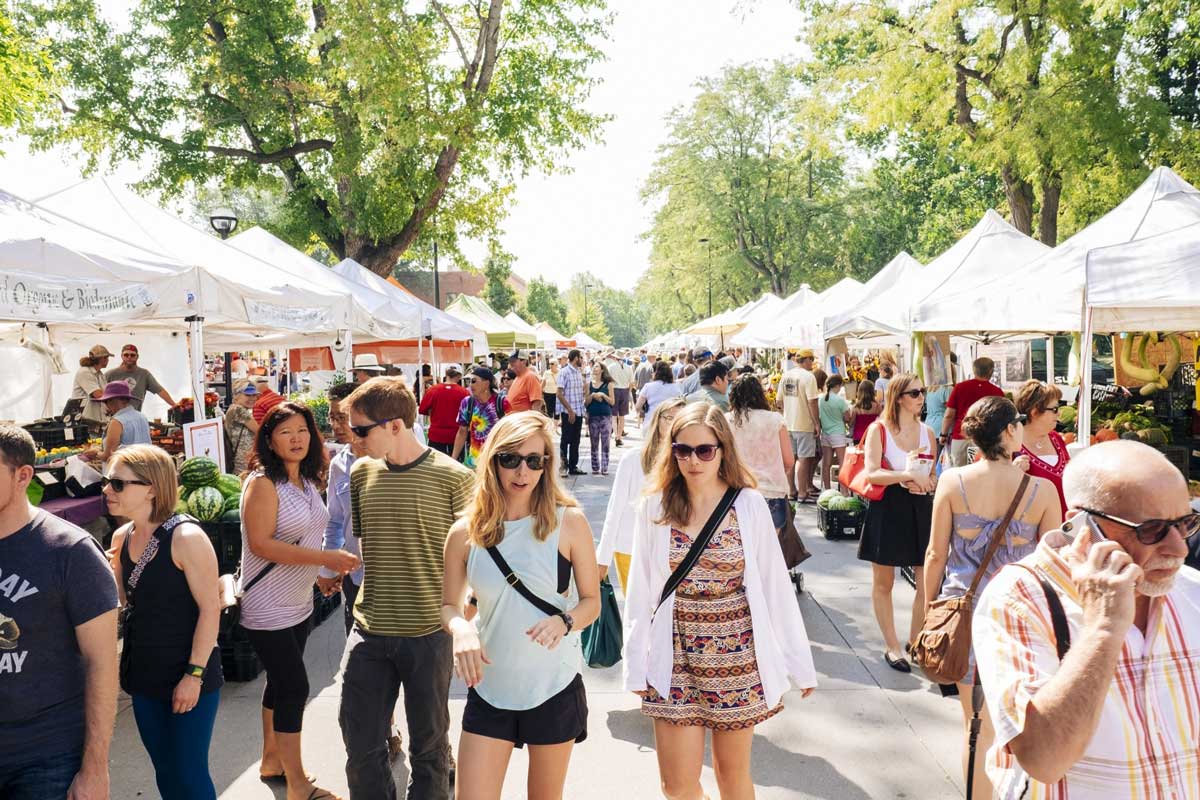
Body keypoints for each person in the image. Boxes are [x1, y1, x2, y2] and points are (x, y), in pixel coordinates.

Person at [973, 440, 1200, 798]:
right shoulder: (1019, 598)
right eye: (1152, 530)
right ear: (1083, 525)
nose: (1179, 549)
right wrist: (1104, 628)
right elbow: (1044, 759)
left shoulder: (1192, 592)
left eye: (1186, 523)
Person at [624, 403, 817, 800]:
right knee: (676, 787)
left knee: (732, 778)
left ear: (723, 450)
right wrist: (634, 662)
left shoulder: (748, 505)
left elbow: (774, 585)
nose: (693, 460)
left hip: (736, 651)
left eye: (704, 450)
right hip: (674, 650)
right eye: (682, 450)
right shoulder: (655, 507)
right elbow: (641, 590)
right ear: (671, 451)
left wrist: (800, 663)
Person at [440, 412, 600, 800]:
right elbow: (448, 605)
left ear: (547, 465)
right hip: (489, 687)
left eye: (535, 460)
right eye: (510, 458)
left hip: (553, 686)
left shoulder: (569, 523)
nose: (522, 470)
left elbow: (592, 602)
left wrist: (564, 621)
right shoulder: (465, 532)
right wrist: (461, 628)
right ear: (492, 459)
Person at [340, 377, 475, 800]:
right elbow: (367, 548)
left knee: (430, 749)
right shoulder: (360, 473)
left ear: (395, 425)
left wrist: (464, 617)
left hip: (429, 634)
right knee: (360, 744)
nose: (353, 438)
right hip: (369, 629)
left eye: (361, 430)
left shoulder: (455, 480)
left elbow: (475, 561)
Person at [922, 398, 1061, 798]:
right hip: (1019, 619)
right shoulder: (1043, 490)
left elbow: (935, 554)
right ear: (1007, 432)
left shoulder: (953, 481)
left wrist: (930, 610)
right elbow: (1050, 566)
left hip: (964, 614)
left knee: (975, 724)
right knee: (1019, 722)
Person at [240, 402, 358, 800]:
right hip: (266, 603)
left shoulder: (306, 481)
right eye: (286, 432)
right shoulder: (262, 483)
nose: (296, 439)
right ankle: (297, 784)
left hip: (297, 601)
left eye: (303, 431)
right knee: (294, 686)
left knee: (280, 682)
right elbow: (262, 544)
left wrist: (321, 576)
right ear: (270, 440)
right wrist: (325, 559)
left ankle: (272, 761)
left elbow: (308, 535)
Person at [0, 424, 119, 799]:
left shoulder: (70, 552)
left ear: (23, 476)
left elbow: (102, 664)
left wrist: (95, 768)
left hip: (47, 758)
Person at [104, 444, 225, 800]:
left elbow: (210, 609)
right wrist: (106, 569)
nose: (107, 490)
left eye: (117, 483)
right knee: (166, 772)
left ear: (152, 488)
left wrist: (194, 675)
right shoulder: (120, 538)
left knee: (190, 774)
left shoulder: (187, 538)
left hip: (188, 673)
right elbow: (124, 603)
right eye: (106, 483)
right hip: (143, 674)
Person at [317, 383, 405, 760]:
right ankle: (383, 729)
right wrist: (329, 564)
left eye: (346, 418)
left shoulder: (397, 457)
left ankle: (432, 743)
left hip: (401, 583)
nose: (339, 426)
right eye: (334, 417)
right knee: (368, 670)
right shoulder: (339, 465)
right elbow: (335, 522)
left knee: (412, 670)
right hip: (358, 582)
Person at [857, 373, 937, 673]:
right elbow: (872, 473)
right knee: (884, 582)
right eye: (915, 392)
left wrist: (926, 484)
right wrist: (906, 476)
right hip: (888, 507)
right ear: (899, 397)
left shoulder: (927, 432)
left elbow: (932, 475)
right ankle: (892, 645)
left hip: (920, 506)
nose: (921, 397)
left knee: (926, 580)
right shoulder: (879, 430)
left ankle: (915, 641)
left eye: (922, 391)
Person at [597, 397, 687, 592]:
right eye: (668, 418)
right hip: (630, 548)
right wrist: (602, 558)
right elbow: (615, 509)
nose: (673, 424)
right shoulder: (632, 459)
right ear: (657, 420)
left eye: (680, 420)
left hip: (672, 552)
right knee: (636, 616)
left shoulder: (688, 461)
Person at [726, 375, 795, 531]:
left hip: (735, 491)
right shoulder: (776, 420)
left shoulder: (726, 420)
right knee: (770, 547)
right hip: (772, 490)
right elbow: (789, 460)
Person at [1014, 379, 1070, 517]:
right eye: (1055, 409)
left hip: (1066, 523)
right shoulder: (1012, 445)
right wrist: (1012, 472)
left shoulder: (1056, 438)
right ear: (1034, 412)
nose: (1059, 414)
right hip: (1032, 529)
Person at [777, 347, 821, 504]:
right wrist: (817, 423)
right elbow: (813, 402)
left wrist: (788, 411)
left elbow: (778, 401)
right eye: (812, 360)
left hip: (788, 423)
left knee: (791, 459)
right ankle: (803, 492)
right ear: (807, 360)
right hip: (804, 424)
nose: (813, 363)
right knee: (804, 459)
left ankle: (791, 491)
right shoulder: (809, 377)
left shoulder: (786, 376)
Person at [941, 357, 1004, 467]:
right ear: (991, 371)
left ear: (974, 370)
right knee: (977, 472)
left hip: (960, 436)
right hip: (982, 440)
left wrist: (943, 434)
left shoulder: (960, 387)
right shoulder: (997, 392)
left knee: (958, 472)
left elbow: (949, 415)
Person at [453, 366, 511, 469]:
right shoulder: (467, 403)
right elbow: (462, 431)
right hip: (474, 463)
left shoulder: (502, 403)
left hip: (497, 462)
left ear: (486, 384)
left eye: (474, 381)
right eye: (469, 381)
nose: (470, 385)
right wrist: (453, 459)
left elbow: (511, 432)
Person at [106, 343, 176, 411]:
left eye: (132, 355)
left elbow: (160, 390)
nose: (129, 357)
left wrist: (174, 405)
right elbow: (100, 394)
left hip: (135, 416)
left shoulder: (144, 374)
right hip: (114, 417)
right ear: (122, 356)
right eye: (126, 355)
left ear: (137, 356)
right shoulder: (111, 374)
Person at [94, 380, 152, 462]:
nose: (106, 405)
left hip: (124, 471)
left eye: (106, 401)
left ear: (113, 400)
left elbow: (109, 456)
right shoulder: (142, 417)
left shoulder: (117, 422)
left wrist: (96, 453)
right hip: (144, 470)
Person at [419, 365, 471, 457]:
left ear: (446, 374)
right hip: (457, 436)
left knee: (437, 466)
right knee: (456, 466)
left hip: (436, 434)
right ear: (459, 376)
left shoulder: (433, 390)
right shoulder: (464, 393)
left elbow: (423, 409)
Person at [817, 374, 852, 491]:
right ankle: (843, 490)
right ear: (838, 386)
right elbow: (847, 418)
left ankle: (827, 490)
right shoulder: (840, 400)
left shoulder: (821, 400)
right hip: (838, 433)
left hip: (825, 433)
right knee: (842, 462)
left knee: (826, 464)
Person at [556, 349, 587, 477]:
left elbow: (579, 394)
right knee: (565, 440)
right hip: (568, 412)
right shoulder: (564, 372)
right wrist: (570, 410)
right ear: (575, 358)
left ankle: (573, 466)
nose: (582, 360)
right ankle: (563, 466)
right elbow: (559, 393)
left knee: (576, 441)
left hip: (578, 411)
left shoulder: (579, 373)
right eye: (581, 357)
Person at [73, 344, 114, 433]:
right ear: (102, 359)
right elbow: (98, 394)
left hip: (96, 423)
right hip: (85, 423)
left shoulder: (100, 374)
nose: (108, 360)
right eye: (107, 358)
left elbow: (105, 394)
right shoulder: (84, 372)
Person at [585, 362, 616, 476]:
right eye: (593, 367)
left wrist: (602, 395)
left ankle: (604, 467)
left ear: (602, 370)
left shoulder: (608, 384)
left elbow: (612, 402)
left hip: (605, 416)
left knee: (605, 442)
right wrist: (592, 396)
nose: (594, 368)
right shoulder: (589, 384)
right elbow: (586, 402)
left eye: (597, 366)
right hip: (593, 415)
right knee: (594, 442)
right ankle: (595, 466)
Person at [224, 382, 260, 474]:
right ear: (236, 396)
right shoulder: (238, 410)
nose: (252, 398)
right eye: (248, 395)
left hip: (244, 461)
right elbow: (259, 430)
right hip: (242, 463)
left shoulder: (237, 409)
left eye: (254, 395)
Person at [604, 352, 634, 446]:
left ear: (615, 358)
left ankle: (616, 435)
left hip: (614, 390)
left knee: (613, 415)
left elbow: (607, 381)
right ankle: (619, 437)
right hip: (624, 390)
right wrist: (628, 392)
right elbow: (631, 383)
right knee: (622, 416)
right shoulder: (629, 368)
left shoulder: (611, 367)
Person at [505, 350, 546, 414]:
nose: (511, 364)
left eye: (513, 361)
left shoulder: (530, 377)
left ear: (524, 361)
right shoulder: (518, 377)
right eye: (510, 361)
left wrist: (532, 421)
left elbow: (536, 404)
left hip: (524, 421)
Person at [847, 380, 882, 445]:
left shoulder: (856, 407)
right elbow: (881, 421)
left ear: (859, 391)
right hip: (874, 435)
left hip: (859, 436)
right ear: (872, 391)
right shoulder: (878, 406)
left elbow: (851, 423)